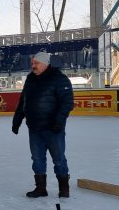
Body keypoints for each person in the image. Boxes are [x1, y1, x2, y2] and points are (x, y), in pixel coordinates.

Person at [12, 51, 74, 198]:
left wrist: (59, 122)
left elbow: (67, 103)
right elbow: (23, 101)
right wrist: (17, 120)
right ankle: (41, 188)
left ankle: (64, 188)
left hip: (53, 128)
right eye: (32, 63)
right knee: (37, 159)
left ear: (45, 63)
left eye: (36, 63)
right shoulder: (30, 79)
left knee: (59, 159)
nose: (33, 65)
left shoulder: (59, 79)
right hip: (34, 128)